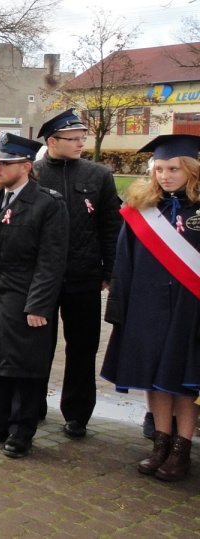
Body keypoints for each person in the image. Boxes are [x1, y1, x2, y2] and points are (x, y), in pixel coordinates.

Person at [0, 133, 68, 459]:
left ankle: (22, 431)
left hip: (23, 296)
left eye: (5, 163)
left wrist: (38, 304)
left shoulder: (48, 204)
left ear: (25, 166)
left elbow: (51, 262)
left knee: (23, 365)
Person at [100, 134, 200, 482]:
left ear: (192, 170)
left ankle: (181, 449)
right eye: (159, 169)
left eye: (173, 168)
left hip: (190, 312)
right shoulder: (141, 210)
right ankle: (160, 444)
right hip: (148, 308)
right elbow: (122, 263)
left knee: (184, 383)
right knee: (155, 381)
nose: (165, 176)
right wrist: (120, 310)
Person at [34, 109, 123, 438]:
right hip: (42, 278)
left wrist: (110, 270)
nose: (81, 143)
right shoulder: (35, 173)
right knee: (38, 344)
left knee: (83, 347)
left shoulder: (99, 175)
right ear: (52, 141)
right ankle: (34, 404)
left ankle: (77, 413)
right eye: (74, 138)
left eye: (82, 137)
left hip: (84, 276)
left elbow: (111, 226)